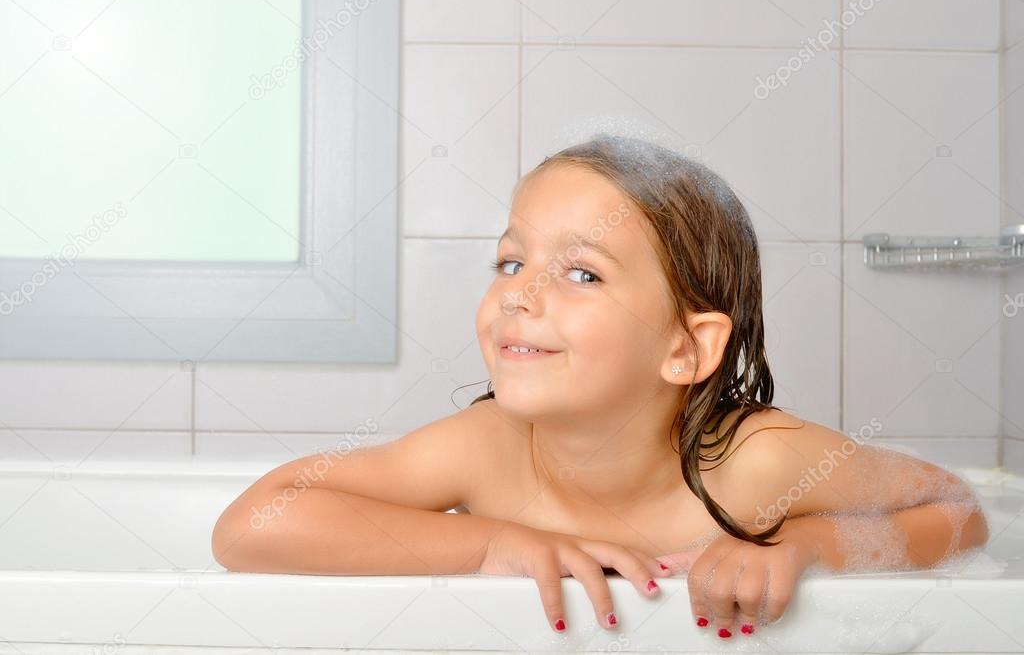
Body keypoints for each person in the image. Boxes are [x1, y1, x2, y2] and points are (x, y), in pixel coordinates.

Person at [211, 133, 989, 640]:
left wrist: (803, 544)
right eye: (512, 262)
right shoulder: (490, 449)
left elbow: (956, 511)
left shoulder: (755, 461)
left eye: (581, 272)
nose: (519, 293)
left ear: (685, 347)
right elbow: (252, 524)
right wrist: (492, 541)